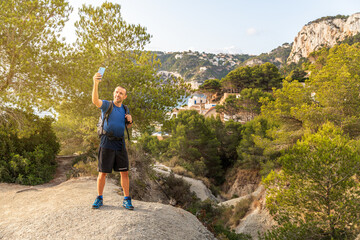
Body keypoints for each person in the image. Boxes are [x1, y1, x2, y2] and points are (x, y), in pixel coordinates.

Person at [91, 72, 134, 210]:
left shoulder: (125, 109)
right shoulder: (107, 105)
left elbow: (127, 125)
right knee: (103, 172)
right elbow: (95, 101)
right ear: (113, 93)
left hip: (120, 143)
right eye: (116, 92)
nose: (118, 95)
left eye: (121, 93)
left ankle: (126, 199)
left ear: (124, 96)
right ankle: (99, 198)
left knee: (124, 172)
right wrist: (95, 83)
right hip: (106, 141)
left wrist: (130, 121)